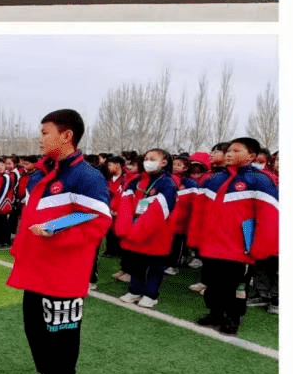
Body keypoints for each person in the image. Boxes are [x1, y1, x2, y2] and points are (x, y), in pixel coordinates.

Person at [7, 109, 111, 374]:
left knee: (61, 329)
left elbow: (98, 221)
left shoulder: (86, 176)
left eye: (45, 132)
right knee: (35, 326)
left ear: (66, 136)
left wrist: (58, 235)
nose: (40, 139)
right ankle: (46, 372)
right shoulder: (42, 172)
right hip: (35, 266)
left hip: (63, 269)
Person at [187, 136, 278, 335]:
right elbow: (198, 212)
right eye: (228, 150)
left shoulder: (260, 181)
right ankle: (215, 313)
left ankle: (233, 318)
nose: (229, 153)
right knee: (213, 283)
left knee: (235, 287)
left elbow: (270, 216)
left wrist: (261, 247)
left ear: (251, 156)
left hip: (239, 249)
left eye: (236, 151)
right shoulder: (212, 180)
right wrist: (195, 238)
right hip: (211, 245)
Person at [113, 148, 178, 308]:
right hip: (135, 230)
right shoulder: (136, 181)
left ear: (164, 162)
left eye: (152, 158)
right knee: (137, 264)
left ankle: (151, 294)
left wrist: (139, 230)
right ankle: (135, 291)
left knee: (155, 267)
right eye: (146, 158)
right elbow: (125, 204)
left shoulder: (167, 183)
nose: (147, 161)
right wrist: (126, 227)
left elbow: (159, 210)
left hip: (157, 232)